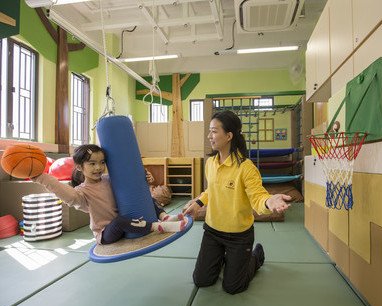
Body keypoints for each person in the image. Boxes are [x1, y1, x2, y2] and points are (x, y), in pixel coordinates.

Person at [183, 110, 291, 294]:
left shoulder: (246, 167)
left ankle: (255, 257)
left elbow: (258, 197)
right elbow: (212, 190)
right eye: (209, 131)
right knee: (201, 280)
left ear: (229, 136)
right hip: (213, 232)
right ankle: (229, 260)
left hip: (239, 236)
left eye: (214, 131)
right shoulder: (211, 163)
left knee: (233, 287)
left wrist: (269, 201)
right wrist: (198, 203)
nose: (209, 136)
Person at [32, 144, 186, 245]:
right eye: (92, 163)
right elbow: (69, 197)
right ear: (79, 167)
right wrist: (40, 177)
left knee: (147, 198)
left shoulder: (110, 179)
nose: (98, 167)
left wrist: (147, 179)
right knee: (119, 221)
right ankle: (158, 227)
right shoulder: (82, 191)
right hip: (107, 233)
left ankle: (165, 217)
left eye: (102, 162)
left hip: (130, 222)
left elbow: (132, 190)